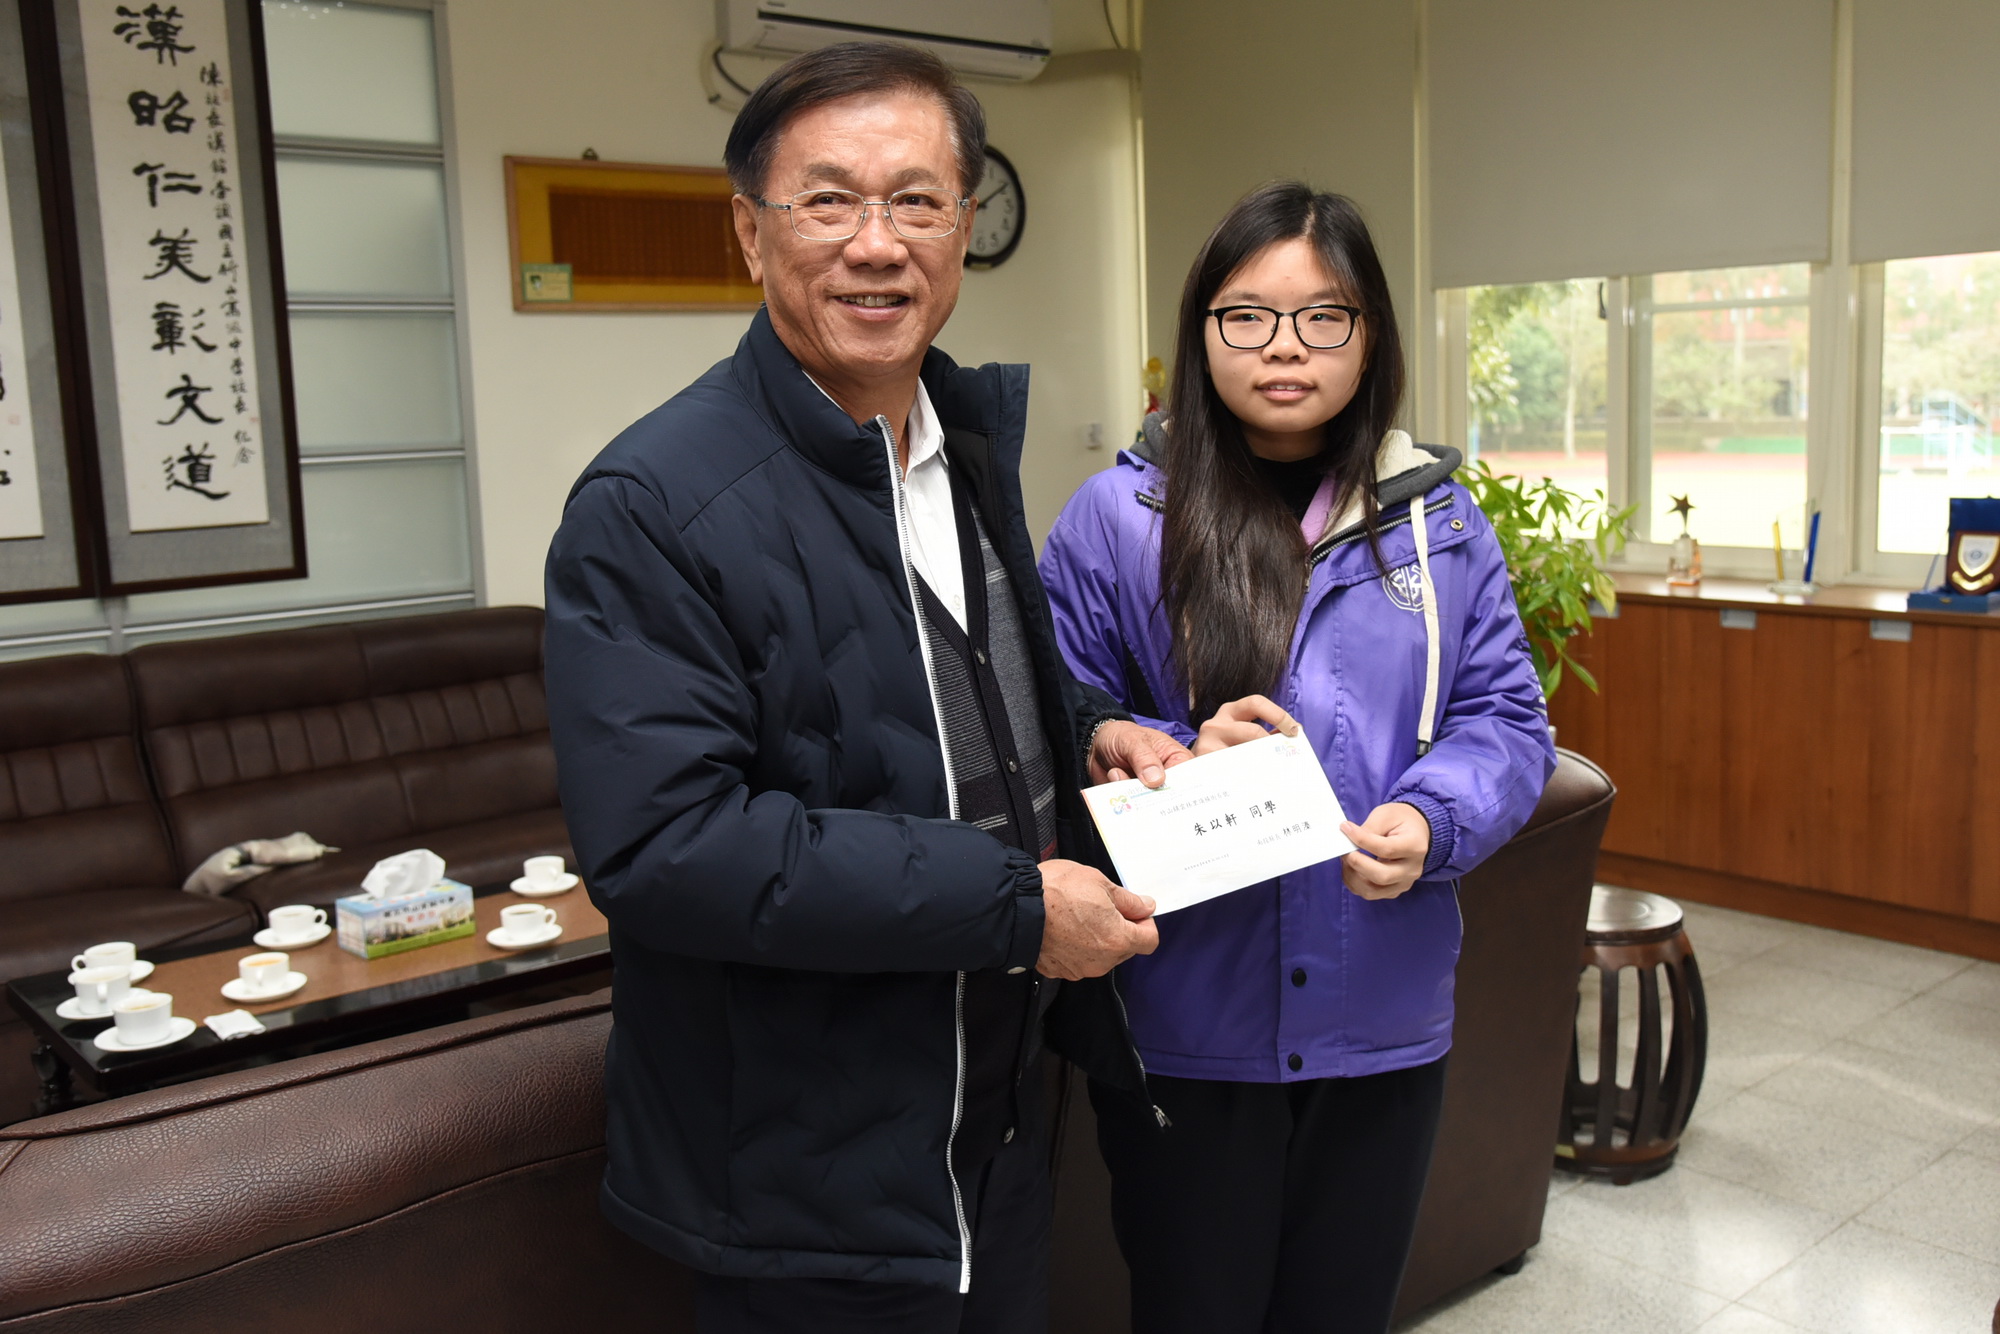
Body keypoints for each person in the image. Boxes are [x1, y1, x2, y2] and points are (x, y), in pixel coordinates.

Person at [541, 40, 1191, 1334]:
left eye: (916, 199)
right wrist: (1015, 906)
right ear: (750, 230)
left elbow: (963, 696)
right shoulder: (652, 504)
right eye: (829, 199)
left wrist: (1097, 735)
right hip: (803, 1174)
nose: (876, 243)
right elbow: (668, 845)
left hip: (994, 1118)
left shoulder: (967, 449)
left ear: (963, 226)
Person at [1037, 181, 1555, 1334]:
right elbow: (1045, 715)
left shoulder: (1440, 521)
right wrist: (1172, 747)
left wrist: (1432, 817)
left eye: (1323, 316)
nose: (1284, 347)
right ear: (1198, 330)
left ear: (1368, 335)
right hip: (1185, 1018)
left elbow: (1506, 720)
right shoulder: (1115, 518)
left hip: (1381, 1013)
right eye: (1245, 314)